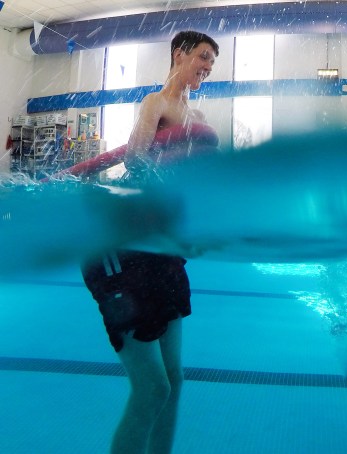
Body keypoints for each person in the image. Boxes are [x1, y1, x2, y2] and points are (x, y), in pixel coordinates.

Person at [81, 31, 219, 454]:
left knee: (174, 383)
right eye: (202, 57)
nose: (207, 67)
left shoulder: (194, 114)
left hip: (164, 251)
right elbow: (135, 160)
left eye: (212, 62)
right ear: (179, 53)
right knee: (153, 389)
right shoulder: (154, 103)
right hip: (127, 250)